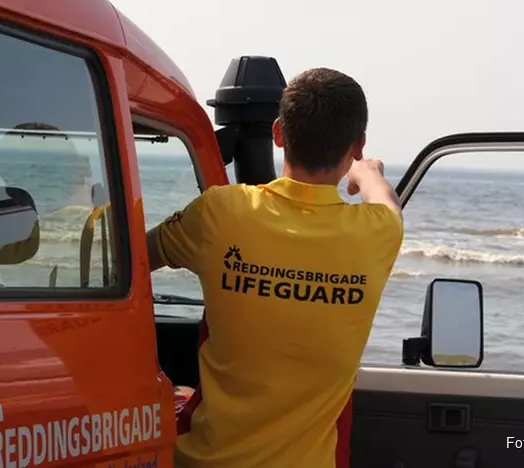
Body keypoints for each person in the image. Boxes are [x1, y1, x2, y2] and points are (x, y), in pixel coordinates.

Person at [146, 68, 404, 468]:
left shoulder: (221, 210)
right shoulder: (378, 234)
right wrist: (366, 172)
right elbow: (385, 201)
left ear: (279, 133)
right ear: (358, 145)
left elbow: (132, 258)